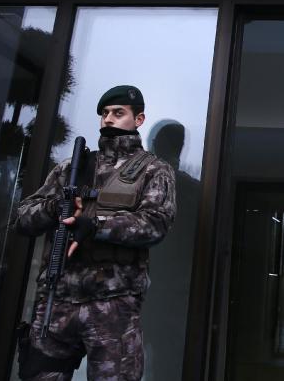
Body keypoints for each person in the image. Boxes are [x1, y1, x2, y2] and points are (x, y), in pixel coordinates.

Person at [14, 85, 177, 381]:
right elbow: (23, 218)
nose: (108, 120)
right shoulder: (72, 168)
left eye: (118, 113)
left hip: (113, 305)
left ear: (138, 119)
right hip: (57, 298)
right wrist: (55, 207)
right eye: (104, 114)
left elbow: (155, 224)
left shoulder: (153, 170)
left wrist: (96, 226)